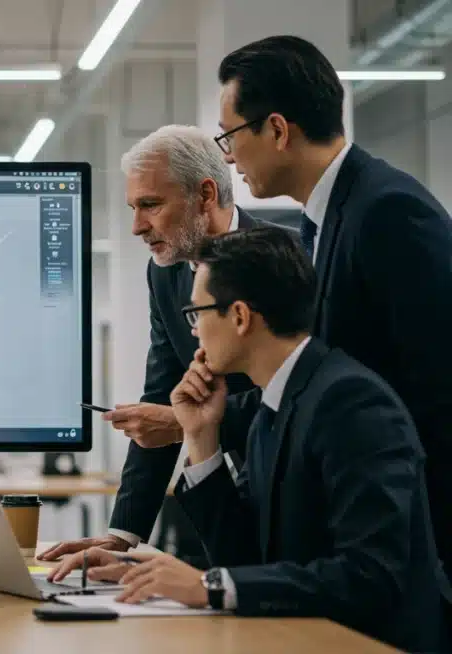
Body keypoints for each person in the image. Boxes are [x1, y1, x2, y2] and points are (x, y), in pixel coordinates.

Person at [49, 228, 449, 653]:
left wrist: (208, 584)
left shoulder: (351, 403)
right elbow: (244, 561)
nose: (194, 333)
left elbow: (369, 575)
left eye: (196, 314)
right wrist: (201, 437)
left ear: (239, 316)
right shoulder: (274, 404)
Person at [213, 34, 452, 570]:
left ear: (277, 129)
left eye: (229, 136)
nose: (228, 158)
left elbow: (438, 389)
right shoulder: (322, 223)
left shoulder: (387, 210)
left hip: (412, 550)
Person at [39, 125, 259, 560]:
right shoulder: (165, 271)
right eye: (133, 208)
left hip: (295, 490)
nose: (138, 226)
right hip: (217, 497)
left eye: (151, 205)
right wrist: (122, 535)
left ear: (205, 194)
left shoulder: (287, 261)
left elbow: (296, 398)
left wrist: (186, 422)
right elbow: (162, 393)